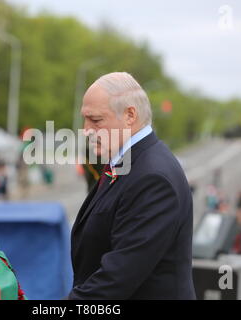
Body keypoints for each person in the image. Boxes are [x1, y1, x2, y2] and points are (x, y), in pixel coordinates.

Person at [69, 72, 196, 300]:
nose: (86, 130)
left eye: (96, 120)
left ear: (130, 115)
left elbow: (116, 278)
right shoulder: (129, 162)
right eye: (85, 119)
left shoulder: (152, 177)